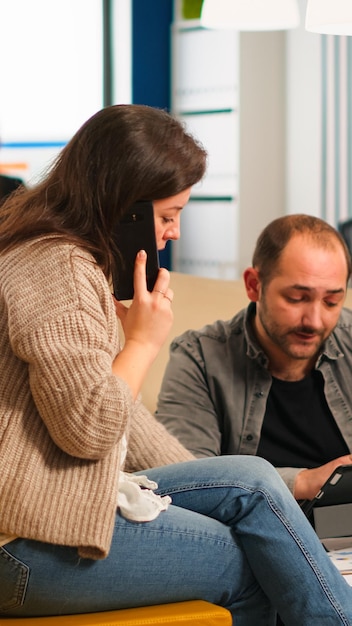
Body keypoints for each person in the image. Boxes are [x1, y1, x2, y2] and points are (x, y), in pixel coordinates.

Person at [0, 106, 351, 626]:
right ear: (125, 208)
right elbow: (90, 432)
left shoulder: (66, 263)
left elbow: (132, 428)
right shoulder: (57, 269)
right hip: (26, 543)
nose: (175, 232)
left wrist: (237, 490)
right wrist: (141, 342)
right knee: (260, 560)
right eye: (168, 215)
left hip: (47, 518)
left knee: (251, 481)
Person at [155, 214, 352, 503]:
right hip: (249, 534)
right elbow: (185, 485)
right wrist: (303, 482)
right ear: (253, 285)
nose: (314, 320)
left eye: (331, 302)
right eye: (297, 298)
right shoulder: (199, 358)